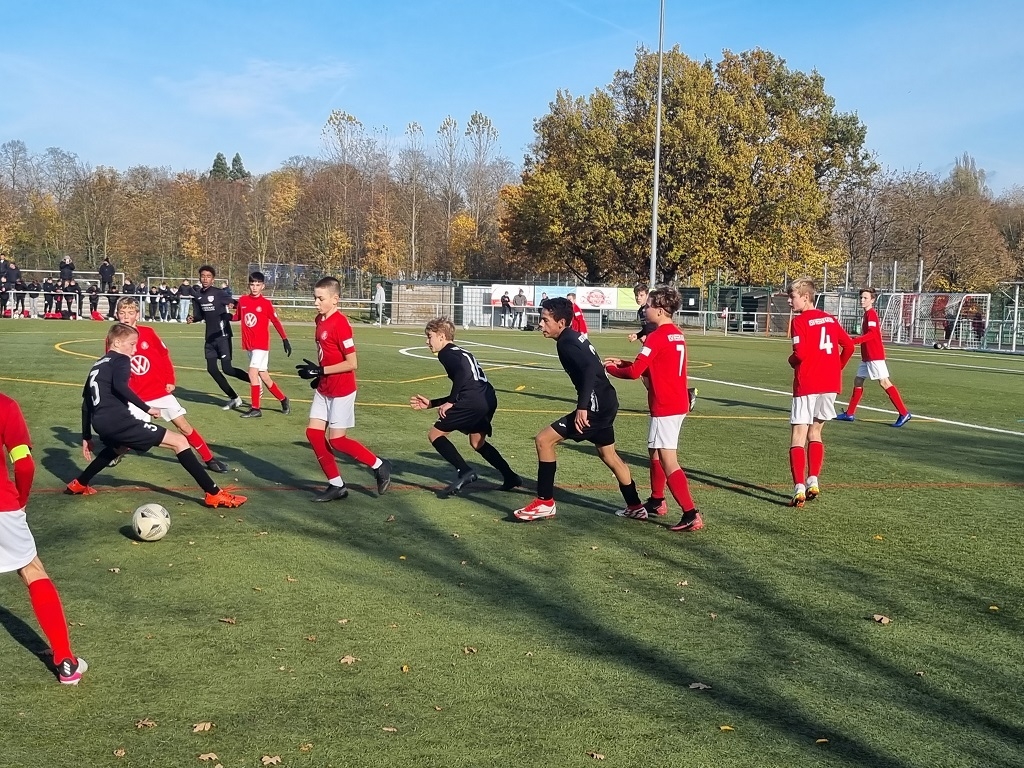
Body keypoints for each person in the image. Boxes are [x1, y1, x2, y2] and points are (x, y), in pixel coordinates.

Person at [64, 323, 245, 508]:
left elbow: (86, 404)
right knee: (180, 442)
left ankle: (80, 483)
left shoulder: (98, 364)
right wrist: (147, 408)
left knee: (119, 447)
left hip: (101, 423)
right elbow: (120, 386)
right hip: (119, 422)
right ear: (117, 343)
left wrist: (86, 436)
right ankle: (213, 493)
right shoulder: (121, 360)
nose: (135, 350)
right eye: (132, 344)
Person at [513, 297, 644, 522]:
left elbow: (589, 371)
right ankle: (635, 506)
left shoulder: (566, 342)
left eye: (545, 320)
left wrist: (582, 407)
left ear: (561, 322)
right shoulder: (573, 337)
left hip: (595, 405)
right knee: (608, 454)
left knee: (544, 440)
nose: (541, 324)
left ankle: (545, 502)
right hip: (607, 401)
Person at [0, 391, 87, 684]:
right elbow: (24, 464)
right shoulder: (5, 405)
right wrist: (21, 501)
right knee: (32, 570)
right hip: (3, 507)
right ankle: (65, 661)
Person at [605, 286, 702, 531]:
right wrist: (624, 362)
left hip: (665, 404)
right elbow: (653, 366)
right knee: (654, 452)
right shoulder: (676, 334)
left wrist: (610, 369)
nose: (644, 309)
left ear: (659, 310)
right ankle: (657, 500)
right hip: (676, 401)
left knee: (669, 461)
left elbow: (635, 372)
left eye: (648, 306)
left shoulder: (657, 336)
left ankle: (690, 513)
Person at [295, 276, 392, 502]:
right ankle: (336, 485)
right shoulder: (319, 320)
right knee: (313, 433)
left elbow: (352, 363)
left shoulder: (341, 324)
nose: (316, 303)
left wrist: (321, 370)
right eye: (315, 298)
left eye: (320, 299)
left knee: (337, 440)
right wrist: (319, 373)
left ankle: (379, 465)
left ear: (335, 299)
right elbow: (328, 355)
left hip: (342, 389)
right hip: (325, 386)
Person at [111, 297, 230, 474]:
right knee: (130, 433)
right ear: (117, 315)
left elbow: (164, 355)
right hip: (135, 396)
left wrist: (170, 380)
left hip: (158, 392)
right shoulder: (114, 339)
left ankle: (209, 458)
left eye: (130, 313)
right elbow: (111, 366)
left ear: (137, 314)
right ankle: (114, 453)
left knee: (184, 426)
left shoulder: (148, 333)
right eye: (122, 313)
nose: (126, 317)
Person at [410, 318, 520, 496]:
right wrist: (433, 403)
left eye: (429, 336)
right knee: (477, 442)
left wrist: (451, 402)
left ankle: (465, 471)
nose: (427, 341)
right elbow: (467, 385)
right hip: (487, 397)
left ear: (441, 336)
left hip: (473, 400)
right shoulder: (459, 351)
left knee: (435, 434)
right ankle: (510, 476)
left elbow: (462, 375)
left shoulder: (445, 353)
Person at [785, 278, 855, 508]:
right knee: (815, 433)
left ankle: (799, 488)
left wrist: (791, 360)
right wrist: (836, 368)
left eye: (792, 297)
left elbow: (800, 354)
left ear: (805, 297)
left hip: (807, 383)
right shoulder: (830, 319)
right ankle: (813, 480)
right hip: (829, 384)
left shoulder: (799, 321)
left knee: (798, 435)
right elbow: (849, 346)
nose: (789, 301)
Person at [835, 287, 912, 427]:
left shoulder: (871, 314)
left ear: (872, 300)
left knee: (884, 382)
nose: (862, 300)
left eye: (865, 298)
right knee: (858, 380)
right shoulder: (866, 314)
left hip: (874, 355)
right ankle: (849, 413)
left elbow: (872, 334)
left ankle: (903, 412)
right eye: (861, 297)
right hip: (867, 356)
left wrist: (854, 341)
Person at [188, 265, 249, 409]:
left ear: (213, 279)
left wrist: (235, 306)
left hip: (223, 336)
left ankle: (254, 380)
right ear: (200, 278)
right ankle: (235, 398)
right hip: (210, 338)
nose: (205, 279)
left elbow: (237, 304)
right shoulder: (198, 296)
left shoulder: (219, 293)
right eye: (203, 276)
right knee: (212, 369)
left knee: (227, 369)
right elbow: (200, 315)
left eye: (208, 276)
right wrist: (193, 319)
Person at [629, 284, 697, 411]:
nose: (638, 298)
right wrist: (638, 335)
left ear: (647, 295)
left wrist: (651, 339)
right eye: (636, 295)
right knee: (645, 376)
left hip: (656, 346)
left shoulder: (653, 310)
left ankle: (683, 395)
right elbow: (646, 329)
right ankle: (661, 398)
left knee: (653, 375)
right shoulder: (641, 311)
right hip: (650, 344)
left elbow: (658, 327)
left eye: (641, 295)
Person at [233, 271, 292, 418]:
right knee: (264, 376)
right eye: (252, 284)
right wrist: (224, 316)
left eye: (258, 285)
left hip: (261, 345)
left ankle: (256, 409)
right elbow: (238, 316)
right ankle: (283, 399)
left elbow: (275, 321)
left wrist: (285, 339)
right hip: (250, 345)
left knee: (252, 373)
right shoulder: (243, 300)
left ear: (263, 286)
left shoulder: (266, 304)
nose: (255, 287)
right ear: (249, 285)